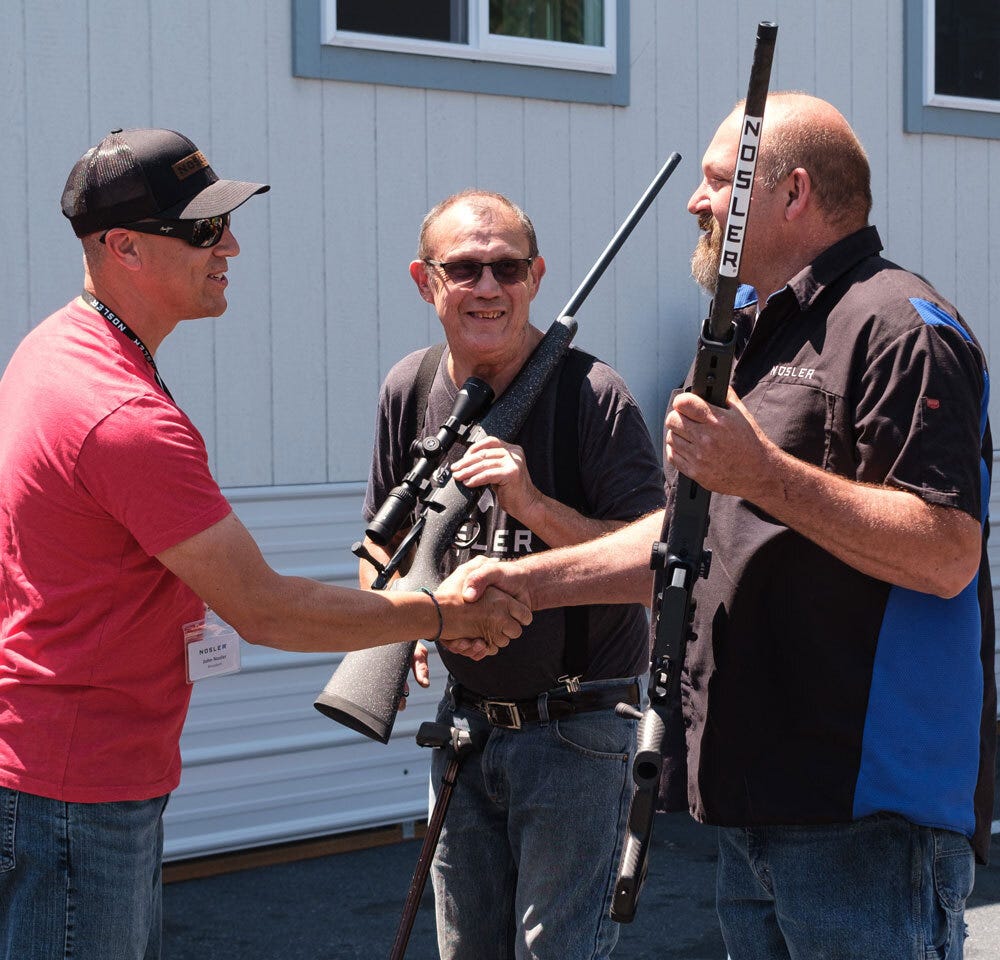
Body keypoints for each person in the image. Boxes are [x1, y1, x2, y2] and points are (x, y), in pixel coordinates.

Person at [458, 93, 996, 960]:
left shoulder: (900, 326)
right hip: (756, 804)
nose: (695, 201)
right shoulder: (753, 335)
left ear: (790, 194)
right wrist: (523, 582)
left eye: (716, 181)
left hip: (866, 813)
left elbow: (945, 552)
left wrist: (763, 472)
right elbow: (689, 540)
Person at [0, 129, 530, 960]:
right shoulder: (121, 413)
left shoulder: (56, 350)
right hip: (80, 783)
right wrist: (438, 613)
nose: (231, 245)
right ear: (123, 247)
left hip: (60, 766)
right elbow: (265, 610)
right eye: (205, 230)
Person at [358, 189, 665, 959]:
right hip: (464, 731)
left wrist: (530, 501)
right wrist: (404, 623)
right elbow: (377, 549)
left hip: (579, 736)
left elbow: (654, 566)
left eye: (508, 268)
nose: (489, 288)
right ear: (424, 279)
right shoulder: (410, 386)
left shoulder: (595, 395)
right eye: (465, 268)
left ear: (538, 276)